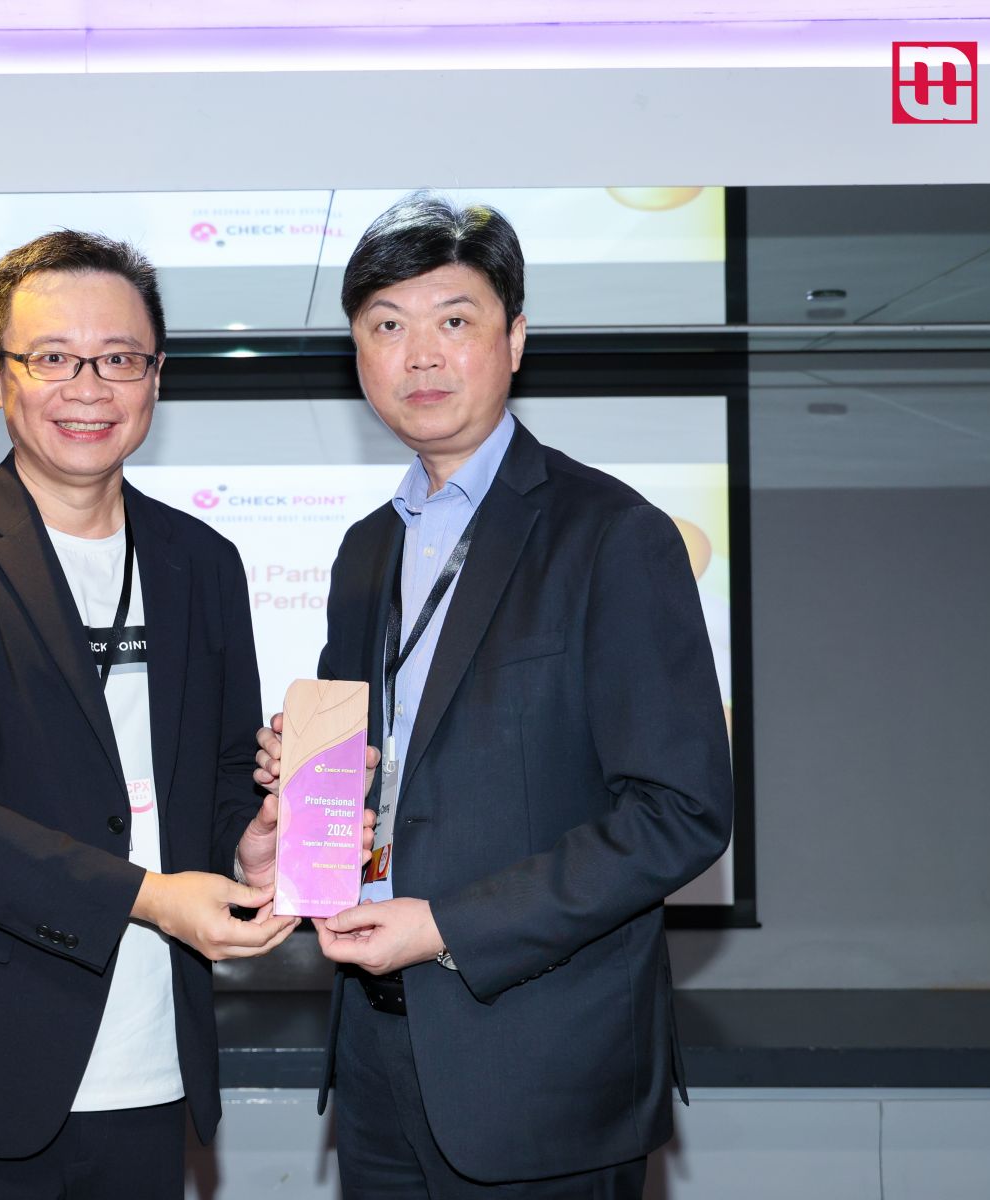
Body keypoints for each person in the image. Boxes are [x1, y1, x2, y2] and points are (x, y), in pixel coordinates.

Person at [254, 194, 734, 1198]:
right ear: (358, 355)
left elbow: (680, 811)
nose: (420, 355)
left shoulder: (611, 535)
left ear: (514, 339)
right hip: (375, 1064)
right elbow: (400, 770)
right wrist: (304, 787)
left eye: (454, 320)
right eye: (387, 325)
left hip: (541, 1075)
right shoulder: (363, 552)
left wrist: (448, 926)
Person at [0, 230, 301, 1198]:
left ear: (156, 378)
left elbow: (221, 771)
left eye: (119, 359)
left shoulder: (201, 562)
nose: (88, 388)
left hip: (151, 1071)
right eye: (52, 357)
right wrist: (151, 897)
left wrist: (247, 844)